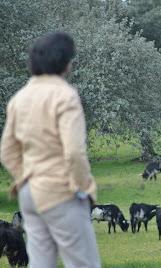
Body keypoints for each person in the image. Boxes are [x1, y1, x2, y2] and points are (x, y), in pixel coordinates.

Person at [0, 32, 101, 268]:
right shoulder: (65, 96)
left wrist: (25, 177)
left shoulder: (19, 98)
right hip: (60, 190)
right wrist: (83, 187)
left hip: (29, 194)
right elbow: (74, 152)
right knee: (83, 263)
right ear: (65, 62)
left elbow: (7, 150)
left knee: (41, 263)